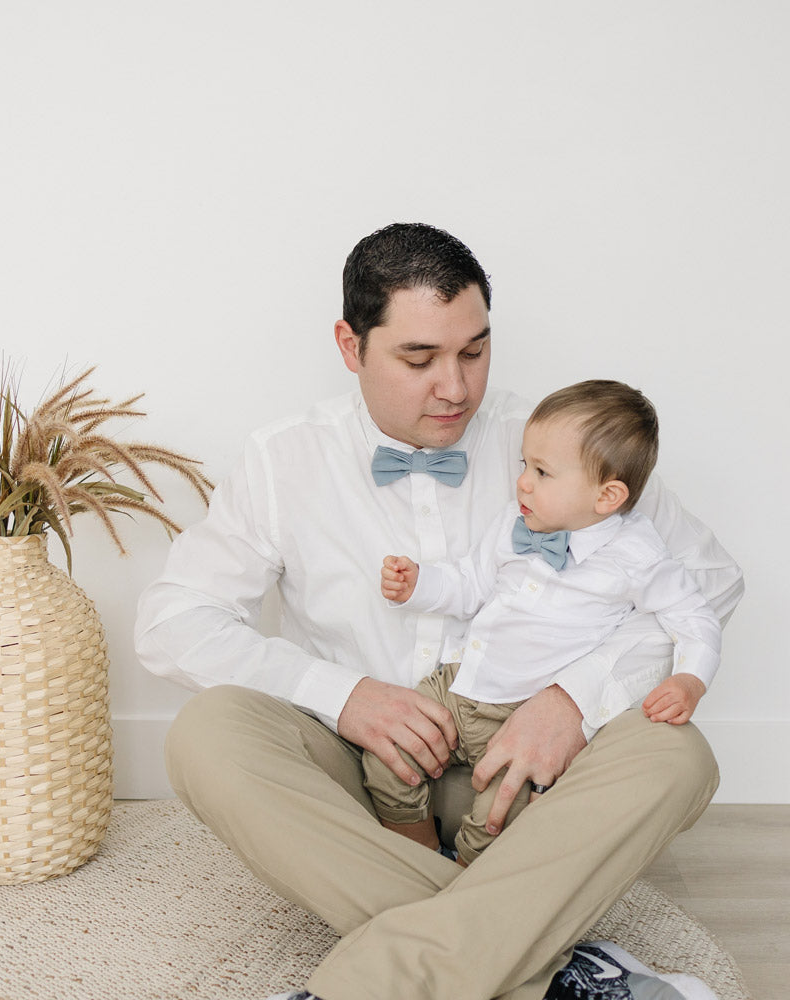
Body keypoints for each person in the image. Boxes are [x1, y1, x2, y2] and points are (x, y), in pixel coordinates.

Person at [134, 222, 744, 1000]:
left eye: (475, 351)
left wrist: (573, 699)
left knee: (677, 757)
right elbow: (172, 619)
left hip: (525, 781)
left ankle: (387, 975)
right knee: (207, 735)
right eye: (419, 358)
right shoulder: (283, 459)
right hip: (365, 782)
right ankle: (547, 966)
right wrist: (344, 696)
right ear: (350, 346)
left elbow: (709, 584)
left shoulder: (570, 445)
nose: (455, 387)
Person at [365, 379, 722, 867]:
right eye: (524, 466)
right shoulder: (516, 522)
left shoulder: (636, 555)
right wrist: (419, 584)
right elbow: (470, 584)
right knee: (388, 754)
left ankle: (467, 883)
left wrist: (690, 678)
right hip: (460, 682)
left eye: (542, 471)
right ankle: (416, 851)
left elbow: (694, 615)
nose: (523, 483)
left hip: (524, 712)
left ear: (607, 496)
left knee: (500, 818)